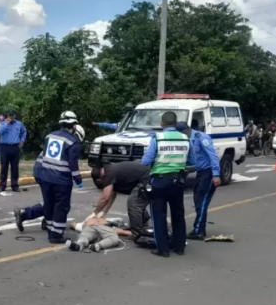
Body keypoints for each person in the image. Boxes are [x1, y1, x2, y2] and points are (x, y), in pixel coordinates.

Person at [14, 123, 86, 232]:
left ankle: (41, 219)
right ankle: (27, 214)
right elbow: (72, 164)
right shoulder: (69, 144)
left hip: (41, 171)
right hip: (47, 172)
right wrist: (78, 179)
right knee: (55, 202)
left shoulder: (58, 140)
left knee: (51, 200)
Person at [141, 111, 190, 258]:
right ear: (175, 123)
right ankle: (179, 247)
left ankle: (163, 249)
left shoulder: (158, 138)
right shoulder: (185, 138)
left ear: (162, 123)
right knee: (178, 214)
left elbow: (145, 161)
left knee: (159, 215)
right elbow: (191, 159)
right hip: (178, 181)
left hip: (160, 181)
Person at [37, 110, 84, 244]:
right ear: (73, 125)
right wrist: (78, 180)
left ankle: (51, 229)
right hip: (61, 180)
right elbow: (73, 165)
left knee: (49, 204)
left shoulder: (49, 136)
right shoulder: (72, 141)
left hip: (46, 177)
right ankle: (56, 235)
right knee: (61, 207)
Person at [175, 121, 221, 240]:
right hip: (201, 172)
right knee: (198, 200)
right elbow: (192, 159)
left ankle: (198, 231)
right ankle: (200, 229)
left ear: (185, 131)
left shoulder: (202, 138)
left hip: (209, 172)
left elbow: (213, 156)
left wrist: (216, 174)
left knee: (202, 201)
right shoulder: (189, 139)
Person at [89, 161, 152, 238]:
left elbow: (105, 198)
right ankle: (142, 224)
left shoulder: (108, 175)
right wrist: (103, 212)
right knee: (137, 200)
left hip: (146, 178)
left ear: (99, 181)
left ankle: (138, 233)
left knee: (134, 203)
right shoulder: (109, 170)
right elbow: (112, 195)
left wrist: (94, 213)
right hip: (145, 176)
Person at [0, 110, 27, 193]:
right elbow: (0, 132)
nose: (11, 117)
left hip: (15, 147)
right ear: (7, 116)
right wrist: (7, 122)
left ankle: (15, 186)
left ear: (15, 116)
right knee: (4, 167)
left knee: (15, 167)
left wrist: (22, 141)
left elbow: (24, 132)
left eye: (13, 115)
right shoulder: (2, 123)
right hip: (5, 147)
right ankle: (2, 185)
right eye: (10, 115)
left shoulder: (19, 124)